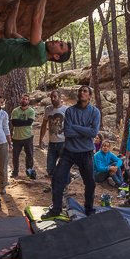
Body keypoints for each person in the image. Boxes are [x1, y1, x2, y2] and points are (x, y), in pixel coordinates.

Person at [43, 85, 101, 218]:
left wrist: (75, 127)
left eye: (85, 91)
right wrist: (83, 130)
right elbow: (68, 132)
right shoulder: (70, 111)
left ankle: (89, 209)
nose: (81, 92)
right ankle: (56, 209)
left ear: (89, 96)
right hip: (69, 151)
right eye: (80, 91)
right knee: (57, 178)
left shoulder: (94, 112)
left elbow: (93, 132)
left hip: (86, 152)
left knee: (90, 182)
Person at [39, 90, 67, 177]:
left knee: (64, 166)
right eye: (51, 97)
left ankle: (64, 186)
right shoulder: (48, 109)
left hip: (63, 142)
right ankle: (54, 185)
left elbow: (71, 126)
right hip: (52, 143)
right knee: (50, 168)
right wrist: (40, 139)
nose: (53, 99)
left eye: (55, 97)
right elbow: (44, 125)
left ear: (60, 97)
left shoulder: (66, 109)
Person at [10, 94, 36, 178]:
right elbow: (14, 123)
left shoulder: (31, 111)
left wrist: (19, 122)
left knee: (29, 155)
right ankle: (15, 172)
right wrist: (24, 122)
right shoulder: (15, 111)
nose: (24, 100)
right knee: (15, 156)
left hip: (28, 137)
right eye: (23, 99)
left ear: (28, 101)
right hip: (16, 137)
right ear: (20, 100)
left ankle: (29, 172)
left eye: (26, 99)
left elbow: (29, 122)